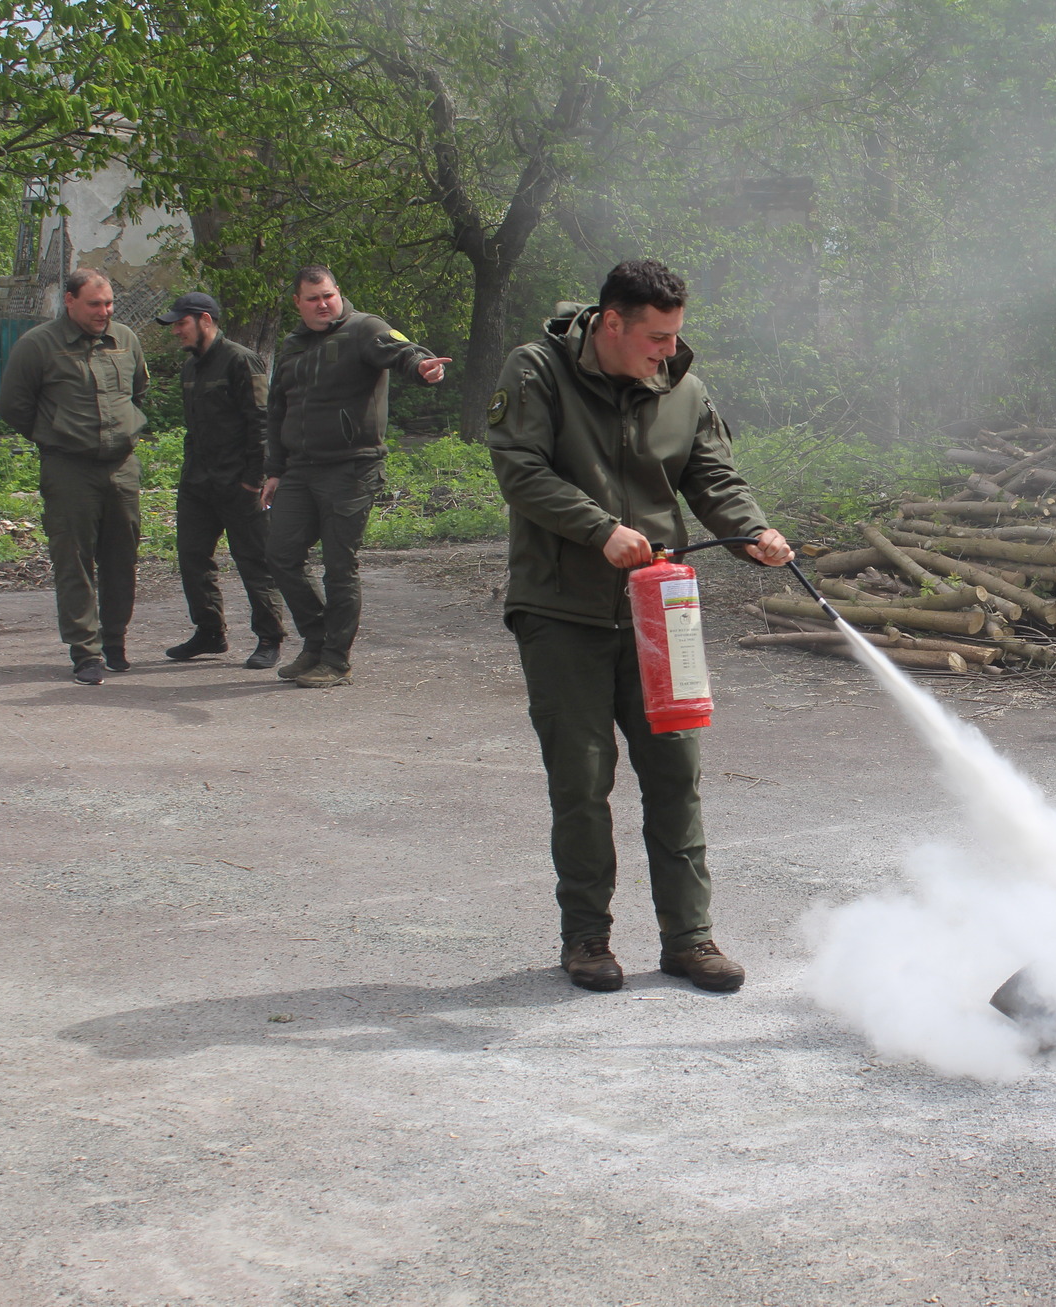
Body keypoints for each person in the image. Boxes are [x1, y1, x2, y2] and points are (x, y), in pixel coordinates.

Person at [485, 258, 791, 995]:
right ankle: (587, 939)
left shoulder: (683, 388)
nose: (669, 350)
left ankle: (689, 939)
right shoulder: (537, 371)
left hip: (661, 609)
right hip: (561, 609)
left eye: (675, 335)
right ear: (612, 323)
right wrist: (599, 529)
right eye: (656, 337)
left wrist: (753, 531)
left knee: (675, 774)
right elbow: (521, 470)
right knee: (583, 780)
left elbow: (713, 478)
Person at [260, 265, 449, 688]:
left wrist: (423, 367)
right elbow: (277, 410)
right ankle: (315, 643)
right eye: (313, 299)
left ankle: (335, 660)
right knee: (280, 555)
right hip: (299, 469)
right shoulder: (292, 345)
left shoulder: (365, 329)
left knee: (338, 566)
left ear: (338, 292)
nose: (323, 304)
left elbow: (404, 351)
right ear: (298, 302)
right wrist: (274, 470)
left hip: (351, 467)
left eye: (328, 295)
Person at [0, 269, 149, 684]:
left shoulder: (125, 340)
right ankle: (86, 652)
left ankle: (114, 641)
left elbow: (138, 392)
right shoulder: (38, 345)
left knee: (122, 558)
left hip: (121, 467)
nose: (105, 312)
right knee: (74, 561)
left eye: (109, 303)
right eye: (94, 304)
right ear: (69, 301)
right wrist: (56, 434)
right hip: (69, 469)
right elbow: (13, 406)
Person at [155, 292, 290, 669]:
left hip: (239, 483)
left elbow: (261, 421)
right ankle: (210, 632)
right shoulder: (190, 367)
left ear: (205, 320)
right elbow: (194, 429)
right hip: (198, 483)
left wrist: (254, 479)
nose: (176, 331)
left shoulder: (241, 360)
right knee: (192, 557)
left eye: (181, 323)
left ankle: (270, 637)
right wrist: (189, 476)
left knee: (254, 560)